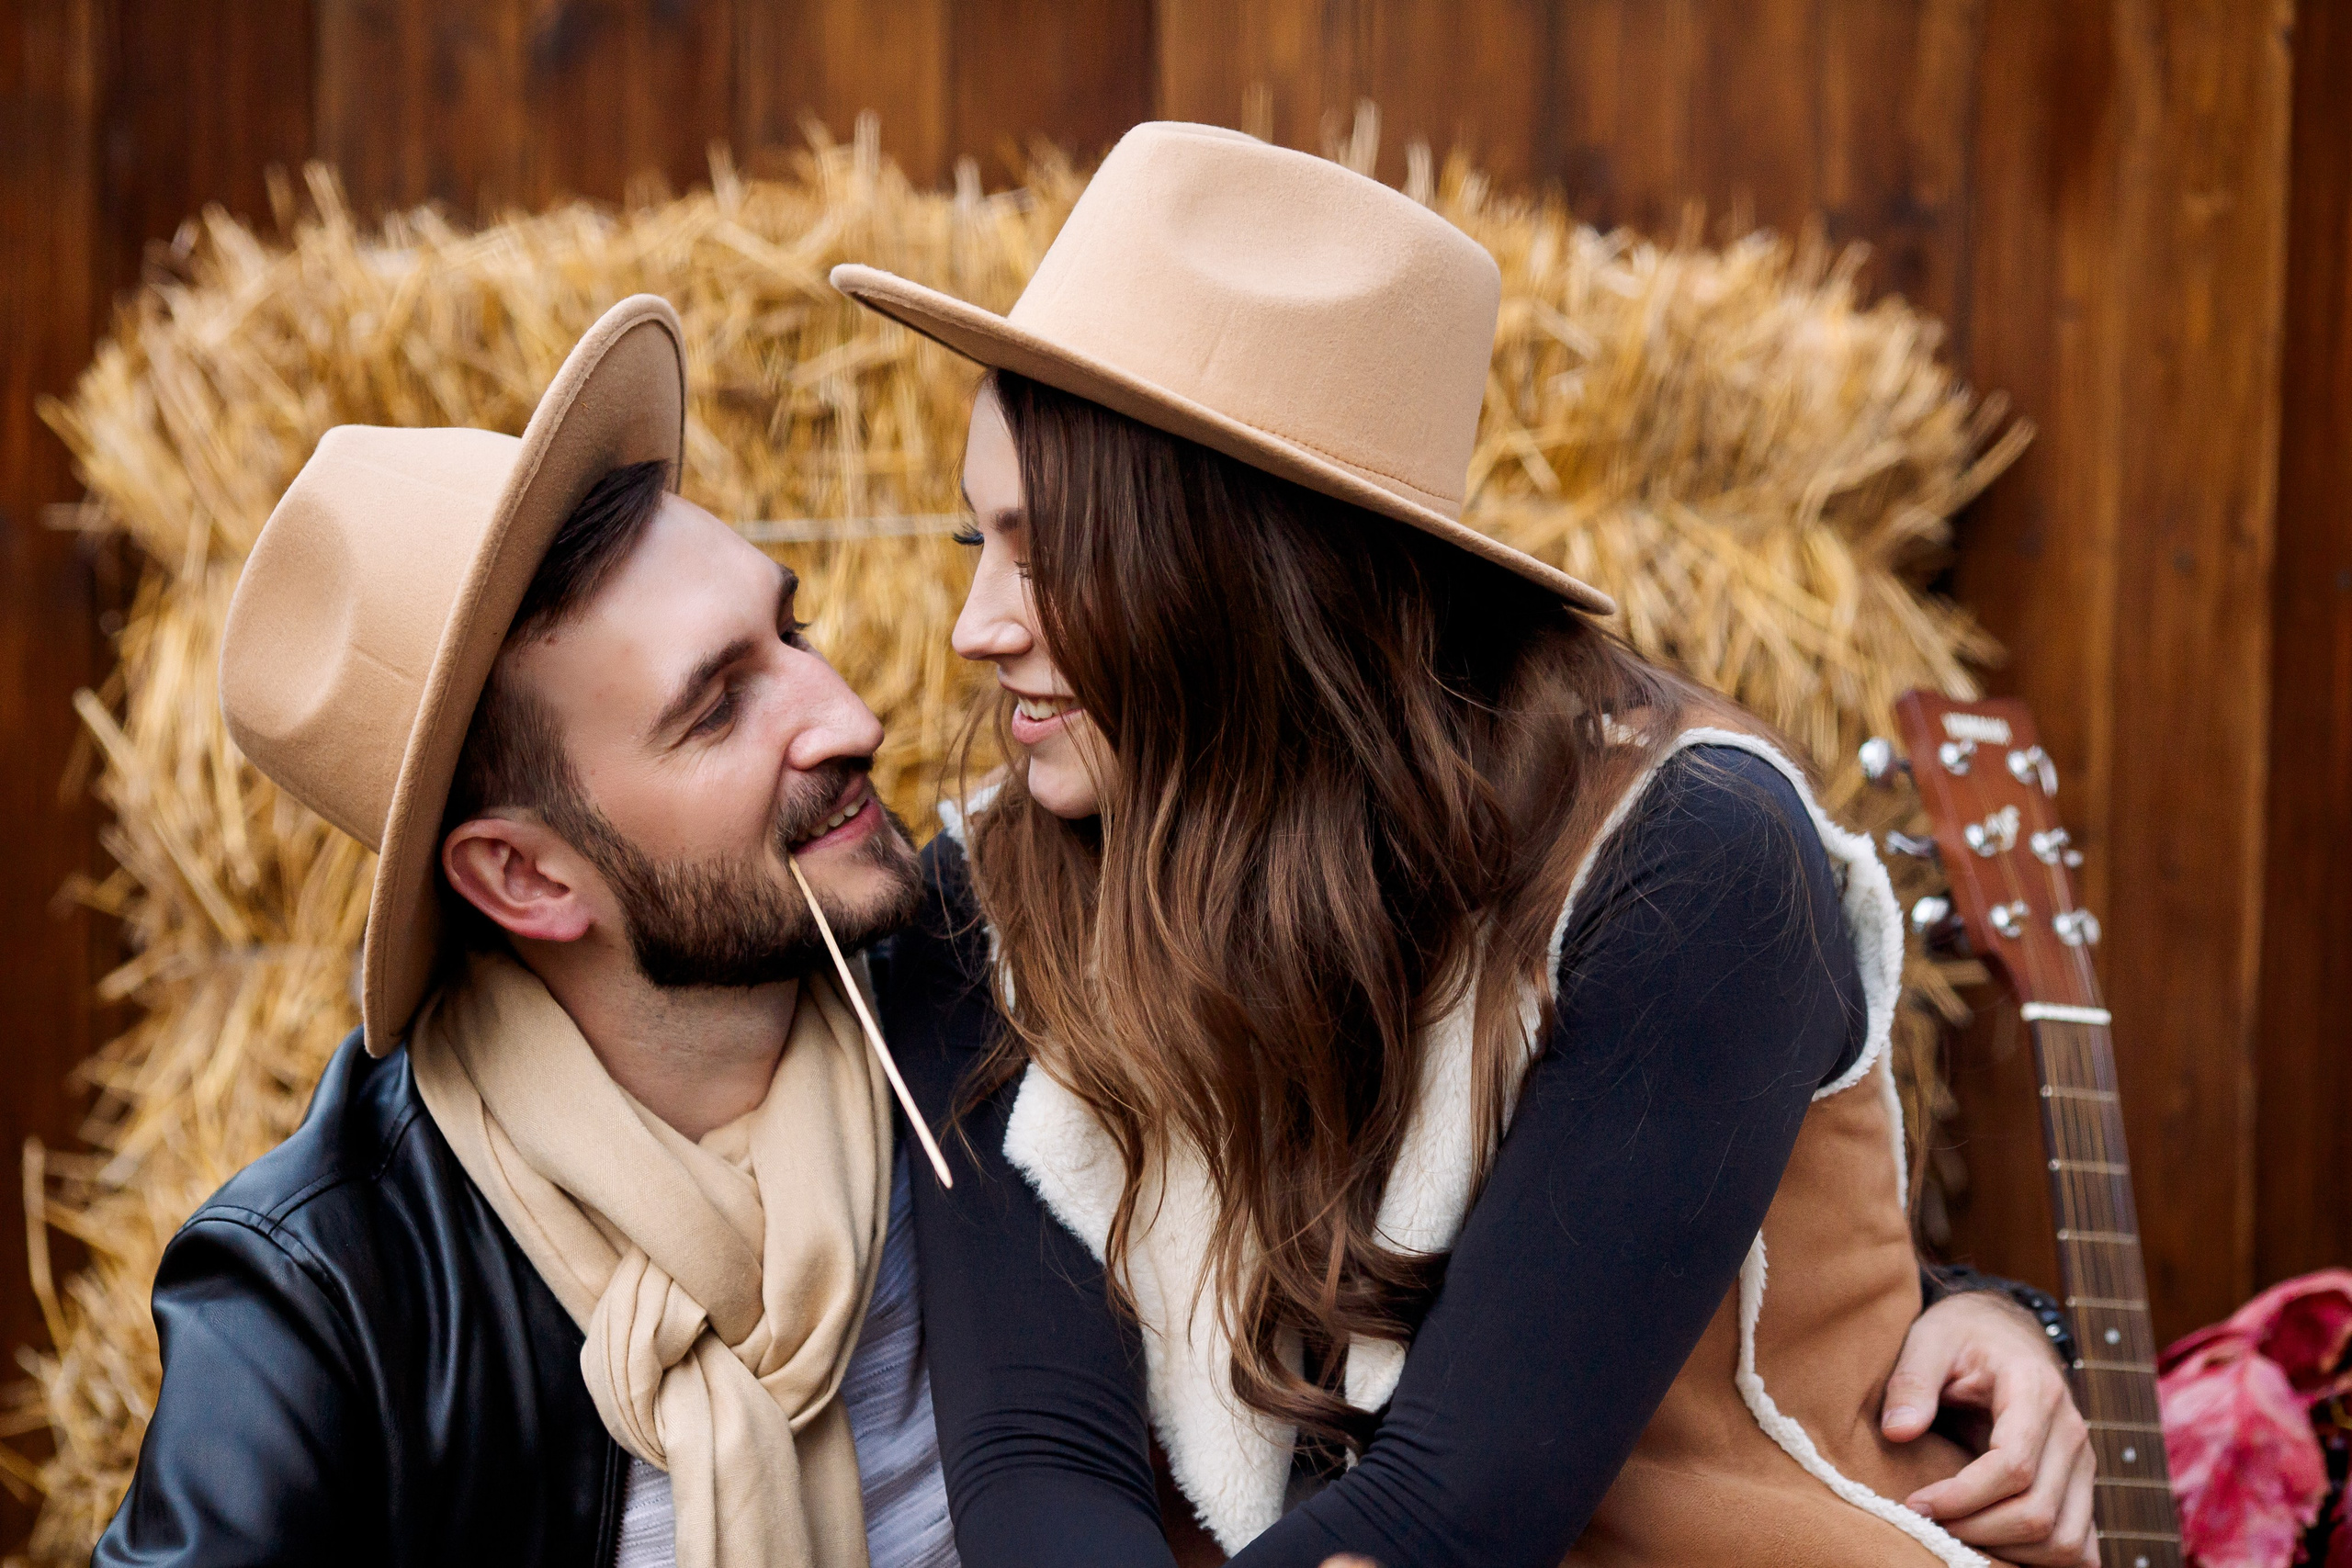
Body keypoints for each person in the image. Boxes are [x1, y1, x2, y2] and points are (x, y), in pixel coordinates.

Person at [841, 123, 2100, 1568]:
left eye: (1046, 554)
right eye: (972, 547)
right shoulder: (980, 909)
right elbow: (1036, 1462)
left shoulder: (1681, 857)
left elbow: (1450, 1512)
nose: (976, 629)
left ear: (1251, 577)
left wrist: (2022, 1316)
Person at [96, 297, 958, 1568]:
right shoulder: (322, 1298)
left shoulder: (992, 1038)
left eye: (794, 632)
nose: (847, 716)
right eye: (718, 708)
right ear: (527, 878)